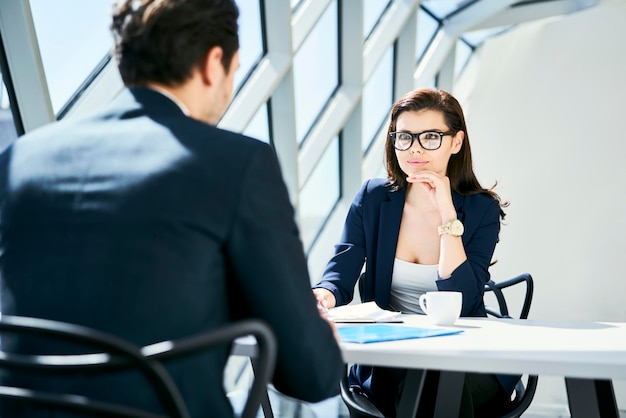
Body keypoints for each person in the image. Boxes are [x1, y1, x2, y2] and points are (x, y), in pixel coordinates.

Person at [0, 0, 343, 417]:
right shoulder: (235, 163)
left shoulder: (22, 159)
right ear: (214, 63)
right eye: (235, 71)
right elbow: (309, 374)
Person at [313, 88, 518, 417]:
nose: (415, 148)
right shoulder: (373, 198)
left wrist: (447, 214)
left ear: (456, 142)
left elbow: (462, 301)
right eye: (405, 137)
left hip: (466, 358)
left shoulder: (481, 209)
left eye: (431, 137)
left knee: (433, 385)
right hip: (391, 355)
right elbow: (341, 269)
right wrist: (322, 295)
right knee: (420, 384)